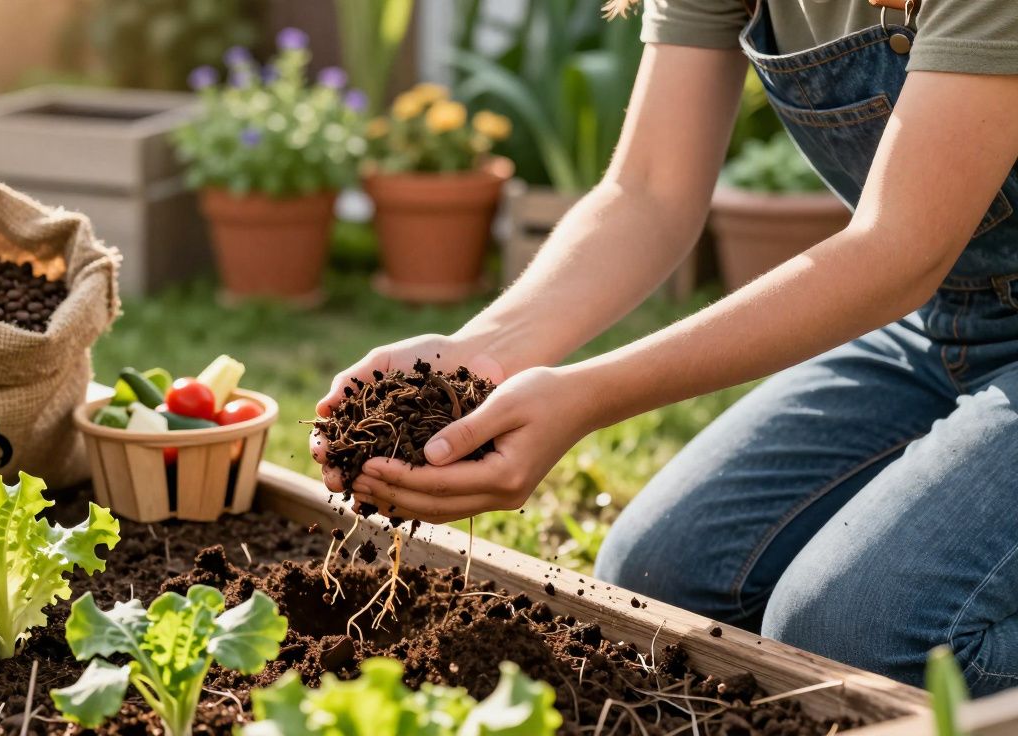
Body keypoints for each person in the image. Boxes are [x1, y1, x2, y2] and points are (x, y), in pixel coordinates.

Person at [310, 0, 1018, 694]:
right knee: (661, 579)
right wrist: (478, 355)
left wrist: (590, 396)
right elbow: (648, 189)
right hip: (940, 324)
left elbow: (900, 249)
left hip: (919, 280)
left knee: (862, 637)